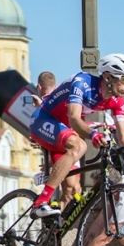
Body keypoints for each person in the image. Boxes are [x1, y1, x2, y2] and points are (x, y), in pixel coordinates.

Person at [29, 54, 124, 218]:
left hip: (62, 130)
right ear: (108, 77)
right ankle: (40, 203)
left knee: (73, 188)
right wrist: (93, 135)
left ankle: (52, 235)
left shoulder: (119, 101)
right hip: (43, 119)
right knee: (79, 146)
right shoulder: (82, 83)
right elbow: (74, 118)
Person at [31, 71, 81, 208]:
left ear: (39, 87)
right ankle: (57, 225)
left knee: (72, 189)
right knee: (71, 188)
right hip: (68, 145)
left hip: (69, 145)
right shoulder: (62, 98)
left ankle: (60, 224)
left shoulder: (48, 102)